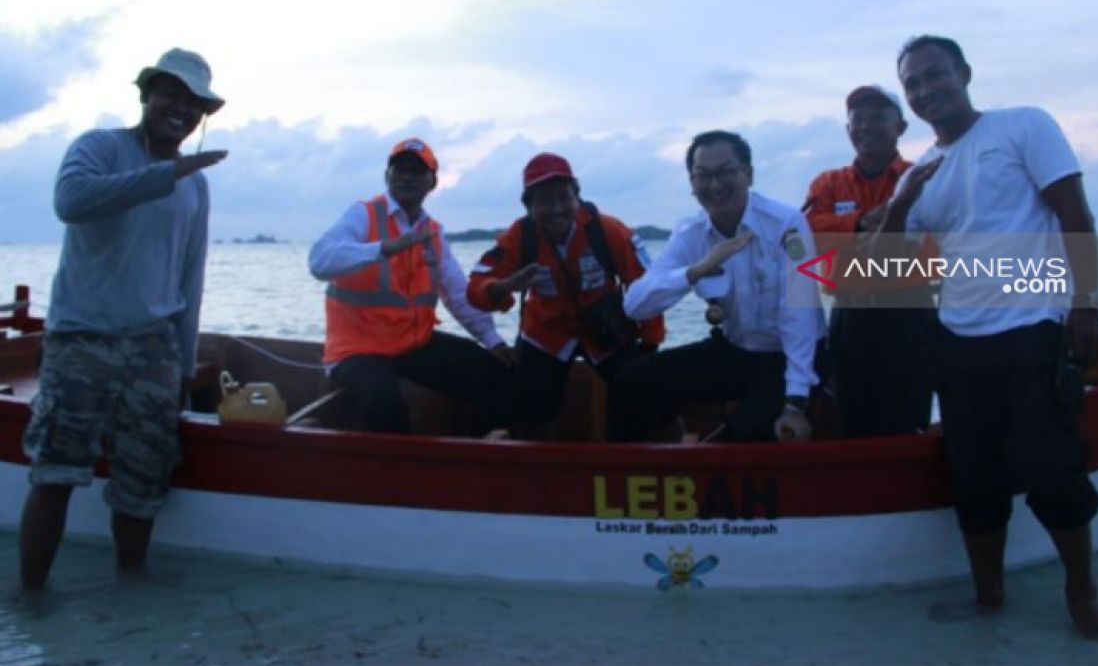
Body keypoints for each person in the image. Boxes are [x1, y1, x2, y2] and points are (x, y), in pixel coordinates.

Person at [876, 35, 1098, 639]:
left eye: (936, 75)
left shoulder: (1023, 126)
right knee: (973, 476)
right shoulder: (924, 172)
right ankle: (989, 599)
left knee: (1051, 468)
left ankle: (1081, 597)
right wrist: (902, 204)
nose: (927, 90)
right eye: (914, 84)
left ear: (965, 73)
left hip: (1033, 327)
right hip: (957, 341)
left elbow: (1075, 215)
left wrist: (1086, 306)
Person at [19, 48, 229, 591]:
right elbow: (72, 201)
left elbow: (190, 277)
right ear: (145, 94)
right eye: (170, 95)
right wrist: (165, 174)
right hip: (80, 339)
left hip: (153, 349)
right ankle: (32, 595)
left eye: (193, 103)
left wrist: (183, 365)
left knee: (144, 477)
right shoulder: (99, 147)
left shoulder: (196, 184)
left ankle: (131, 589)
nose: (181, 109)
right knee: (56, 472)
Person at [611, 130, 824, 442]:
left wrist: (796, 402)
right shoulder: (691, 232)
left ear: (748, 175)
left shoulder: (785, 224)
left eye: (725, 172)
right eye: (703, 175)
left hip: (788, 358)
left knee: (747, 430)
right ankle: (630, 475)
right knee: (631, 380)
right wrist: (696, 270)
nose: (714, 185)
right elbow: (635, 306)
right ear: (692, 183)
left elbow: (800, 317)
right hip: (735, 351)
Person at [308, 138, 518, 436]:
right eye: (400, 169)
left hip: (413, 346)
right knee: (384, 403)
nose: (407, 176)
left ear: (432, 182)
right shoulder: (363, 214)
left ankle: (477, 458)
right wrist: (383, 248)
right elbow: (319, 261)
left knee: (496, 376)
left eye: (418, 171)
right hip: (356, 352)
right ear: (387, 176)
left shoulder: (432, 232)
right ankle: (399, 477)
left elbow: (458, 293)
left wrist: (492, 339)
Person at [466, 153, 664, 436]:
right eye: (545, 201)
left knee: (641, 391)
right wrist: (504, 286)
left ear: (577, 198)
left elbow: (646, 286)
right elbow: (476, 288)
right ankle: (540, 465)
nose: (557, 209)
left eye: (564, 198)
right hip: (547, 333)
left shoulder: (608, 230)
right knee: (530, 406)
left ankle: (635, 458)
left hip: (608, 332)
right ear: (530, 207)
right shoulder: (520, 236)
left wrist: (650, 343)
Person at [803, 85, 935, 437]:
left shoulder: (921, 176)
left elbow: (925, 250)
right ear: (848, 131)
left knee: (908, 418)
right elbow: (810, 236)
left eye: (878, 117)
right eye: (857, 119)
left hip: (910, 312)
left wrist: (848, 237)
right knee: (850, 416)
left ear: (901, 127)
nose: (866, 126)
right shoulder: (827, 184)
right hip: (850, 313)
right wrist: (862, 221)